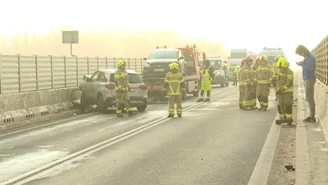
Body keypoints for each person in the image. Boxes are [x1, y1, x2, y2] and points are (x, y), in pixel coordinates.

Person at [296, 45, 316, 122]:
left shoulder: (310, 57)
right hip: (307, 78)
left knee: (310, 98)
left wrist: (301, 64)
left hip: (309, 79)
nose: (300, 55)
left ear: (303, 51)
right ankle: (311, 115)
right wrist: (303, 62)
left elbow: (310, 69)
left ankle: (312, 117)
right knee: (309, 98)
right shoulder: (307, 57)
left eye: (300, 54)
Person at [275, 57, 294, 124]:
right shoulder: (279, 71)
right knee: (280, 104)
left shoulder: (290, 72)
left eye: (282, 68)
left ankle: (289, 119)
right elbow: (278, 80)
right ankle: (282, 117)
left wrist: (282, 88)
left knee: (288, 104)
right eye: (279, 68)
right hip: (280, 91)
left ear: (285, 66)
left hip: (288, 92)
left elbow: (289, 83)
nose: (281, 69)